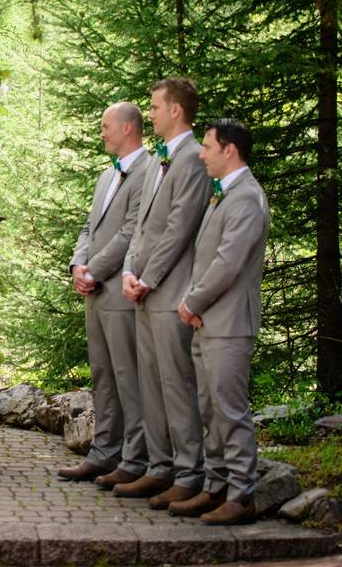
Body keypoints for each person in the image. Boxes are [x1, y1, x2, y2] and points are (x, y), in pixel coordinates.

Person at [171, 119, 269, 525]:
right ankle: (215, 487)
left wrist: (192, 300)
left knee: (230, 410)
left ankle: (242, 494)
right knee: (209, 408)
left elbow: (228, 263)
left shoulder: (247, 197)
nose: (201, 152)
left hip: (229, 323)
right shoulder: (222, 195)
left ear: (230, 150)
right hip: (207, 321)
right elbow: (204, 255)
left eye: (208, 146)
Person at [118, 78, 210, 508]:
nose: (149, 113)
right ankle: (158, 468)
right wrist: (129, 271)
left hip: (169, 289)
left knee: (175, 383)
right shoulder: (156, 161)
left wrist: (149, 277)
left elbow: (179, 228)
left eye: (155, 107)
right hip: (143, 288)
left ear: (176, 111)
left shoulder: (193, 158)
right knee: (149, 382)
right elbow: (141, 227)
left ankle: (189, 471)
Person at [59, 103, 150, 487]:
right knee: (102, 375)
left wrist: (95, 271)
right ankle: (103, 452)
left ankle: (135, 458)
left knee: (128, 376)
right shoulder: (106, 176)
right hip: (94, 291)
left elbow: (130, 232)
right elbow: (89, 228)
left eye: (106, 127)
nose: (102, 133)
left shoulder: (148, 172)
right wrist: (78, 266)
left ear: (128, 128)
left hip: (117, 291)